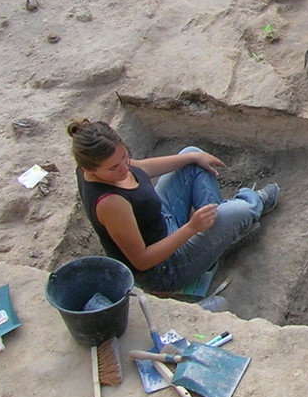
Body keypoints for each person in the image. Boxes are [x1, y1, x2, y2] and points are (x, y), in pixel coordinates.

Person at [68, 119, 279, 294]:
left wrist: (193, 157)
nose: (123, 168)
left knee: (191, 155)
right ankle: (252, 205)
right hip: (166, 267)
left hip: (161, 220)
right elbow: (142, 261)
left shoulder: (104, 163)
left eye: (124, 157)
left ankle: (221, 233)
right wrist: (191, 228)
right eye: (114, 168)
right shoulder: (111, 204)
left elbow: (142, 168)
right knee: (239, 212)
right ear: (89, 168)